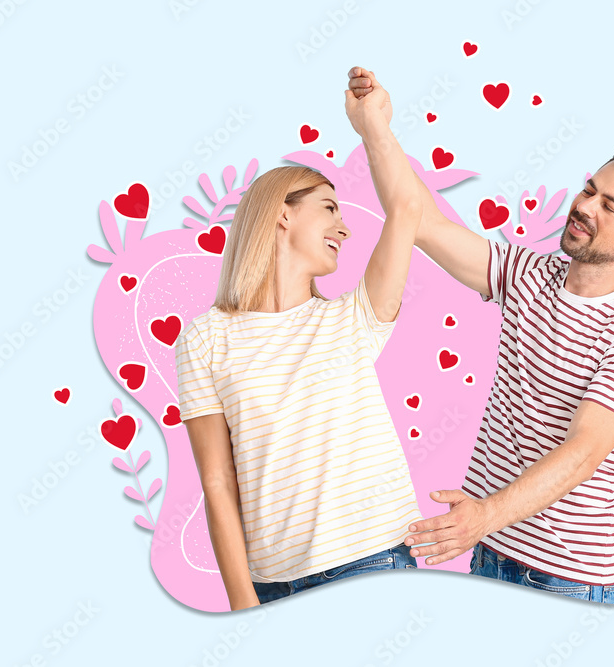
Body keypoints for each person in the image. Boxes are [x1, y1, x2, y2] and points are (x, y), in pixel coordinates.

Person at [348, 66, 614, 604]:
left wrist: (482, 515)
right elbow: (420, 221)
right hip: (491, 553)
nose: (584, 206)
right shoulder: (527, 274)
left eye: (608, 205)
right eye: (589, 190)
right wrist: (375, 129)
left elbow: (582, 452)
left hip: (568, 581)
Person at [174, 74, 426, 609]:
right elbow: (218, 484)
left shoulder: (353, 318)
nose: (346, 227)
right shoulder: (206, 338)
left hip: (374, 563)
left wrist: (372, 127)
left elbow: (406, 208)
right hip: (272, 585)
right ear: (283, 213)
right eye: (330, 207)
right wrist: (244, 605)